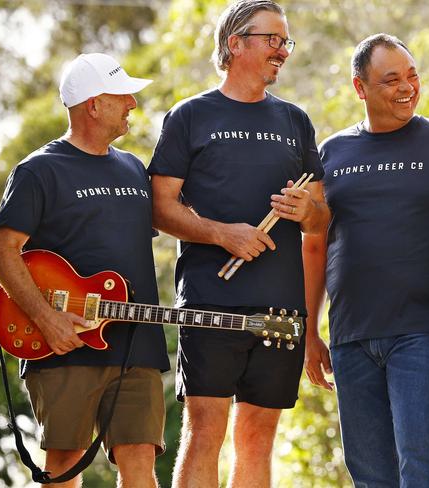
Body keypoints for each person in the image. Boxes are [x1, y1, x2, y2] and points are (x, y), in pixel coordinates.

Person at [147, 1, 329, 486]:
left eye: (285, 42)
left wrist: (307, 211)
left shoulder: (296, 121)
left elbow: (321, 218)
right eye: (272, 39)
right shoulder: (189, 116)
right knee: (205, 429)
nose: (282, 51)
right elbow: (160, 206)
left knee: (258, 438)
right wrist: (221, 233)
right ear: (235, 43)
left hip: (281, 311)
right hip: (210, 302)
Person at [0, 53, 170, 488]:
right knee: (65, 463)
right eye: (122, 94)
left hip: (135, 343)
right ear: (92, 104)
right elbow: (0, 251)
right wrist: (46, 320)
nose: (133, 103)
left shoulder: (133, 169)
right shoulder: (38, 170)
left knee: (141, 459)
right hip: (63, 344)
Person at [303, 34, 429, 487]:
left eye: (412, 75)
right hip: (351, 336)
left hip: (425, 330)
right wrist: (310, 330)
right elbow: (314, 243)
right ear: (360, 88)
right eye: (391, 79)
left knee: (420, 457)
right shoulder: (332, 153)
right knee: (369, 473)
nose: (406, 87)